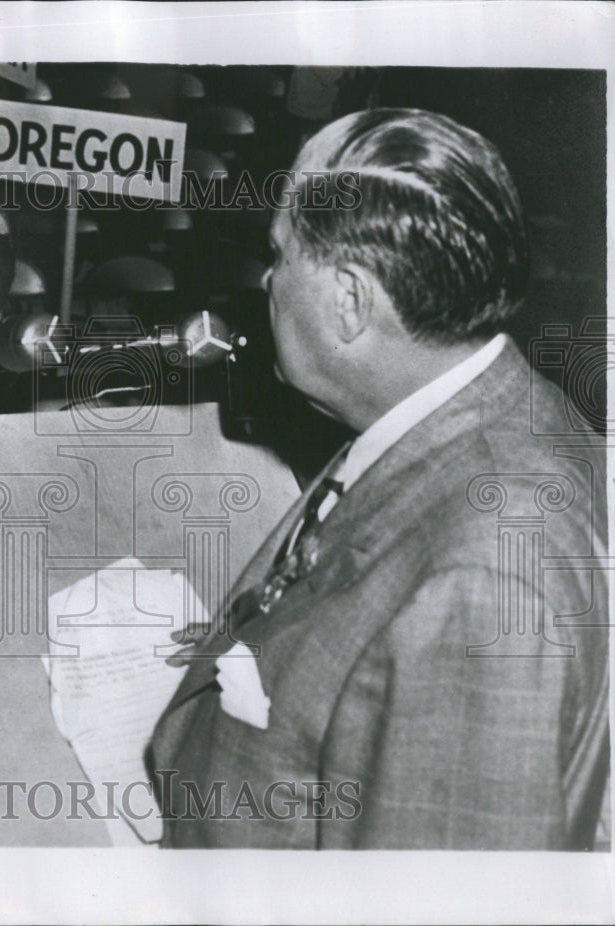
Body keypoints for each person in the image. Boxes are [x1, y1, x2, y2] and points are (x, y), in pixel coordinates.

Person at [148, 108, 609, 850]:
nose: (266, 282)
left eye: (280, 255)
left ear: (351, 302)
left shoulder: (483, 580)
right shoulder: (458, 407)